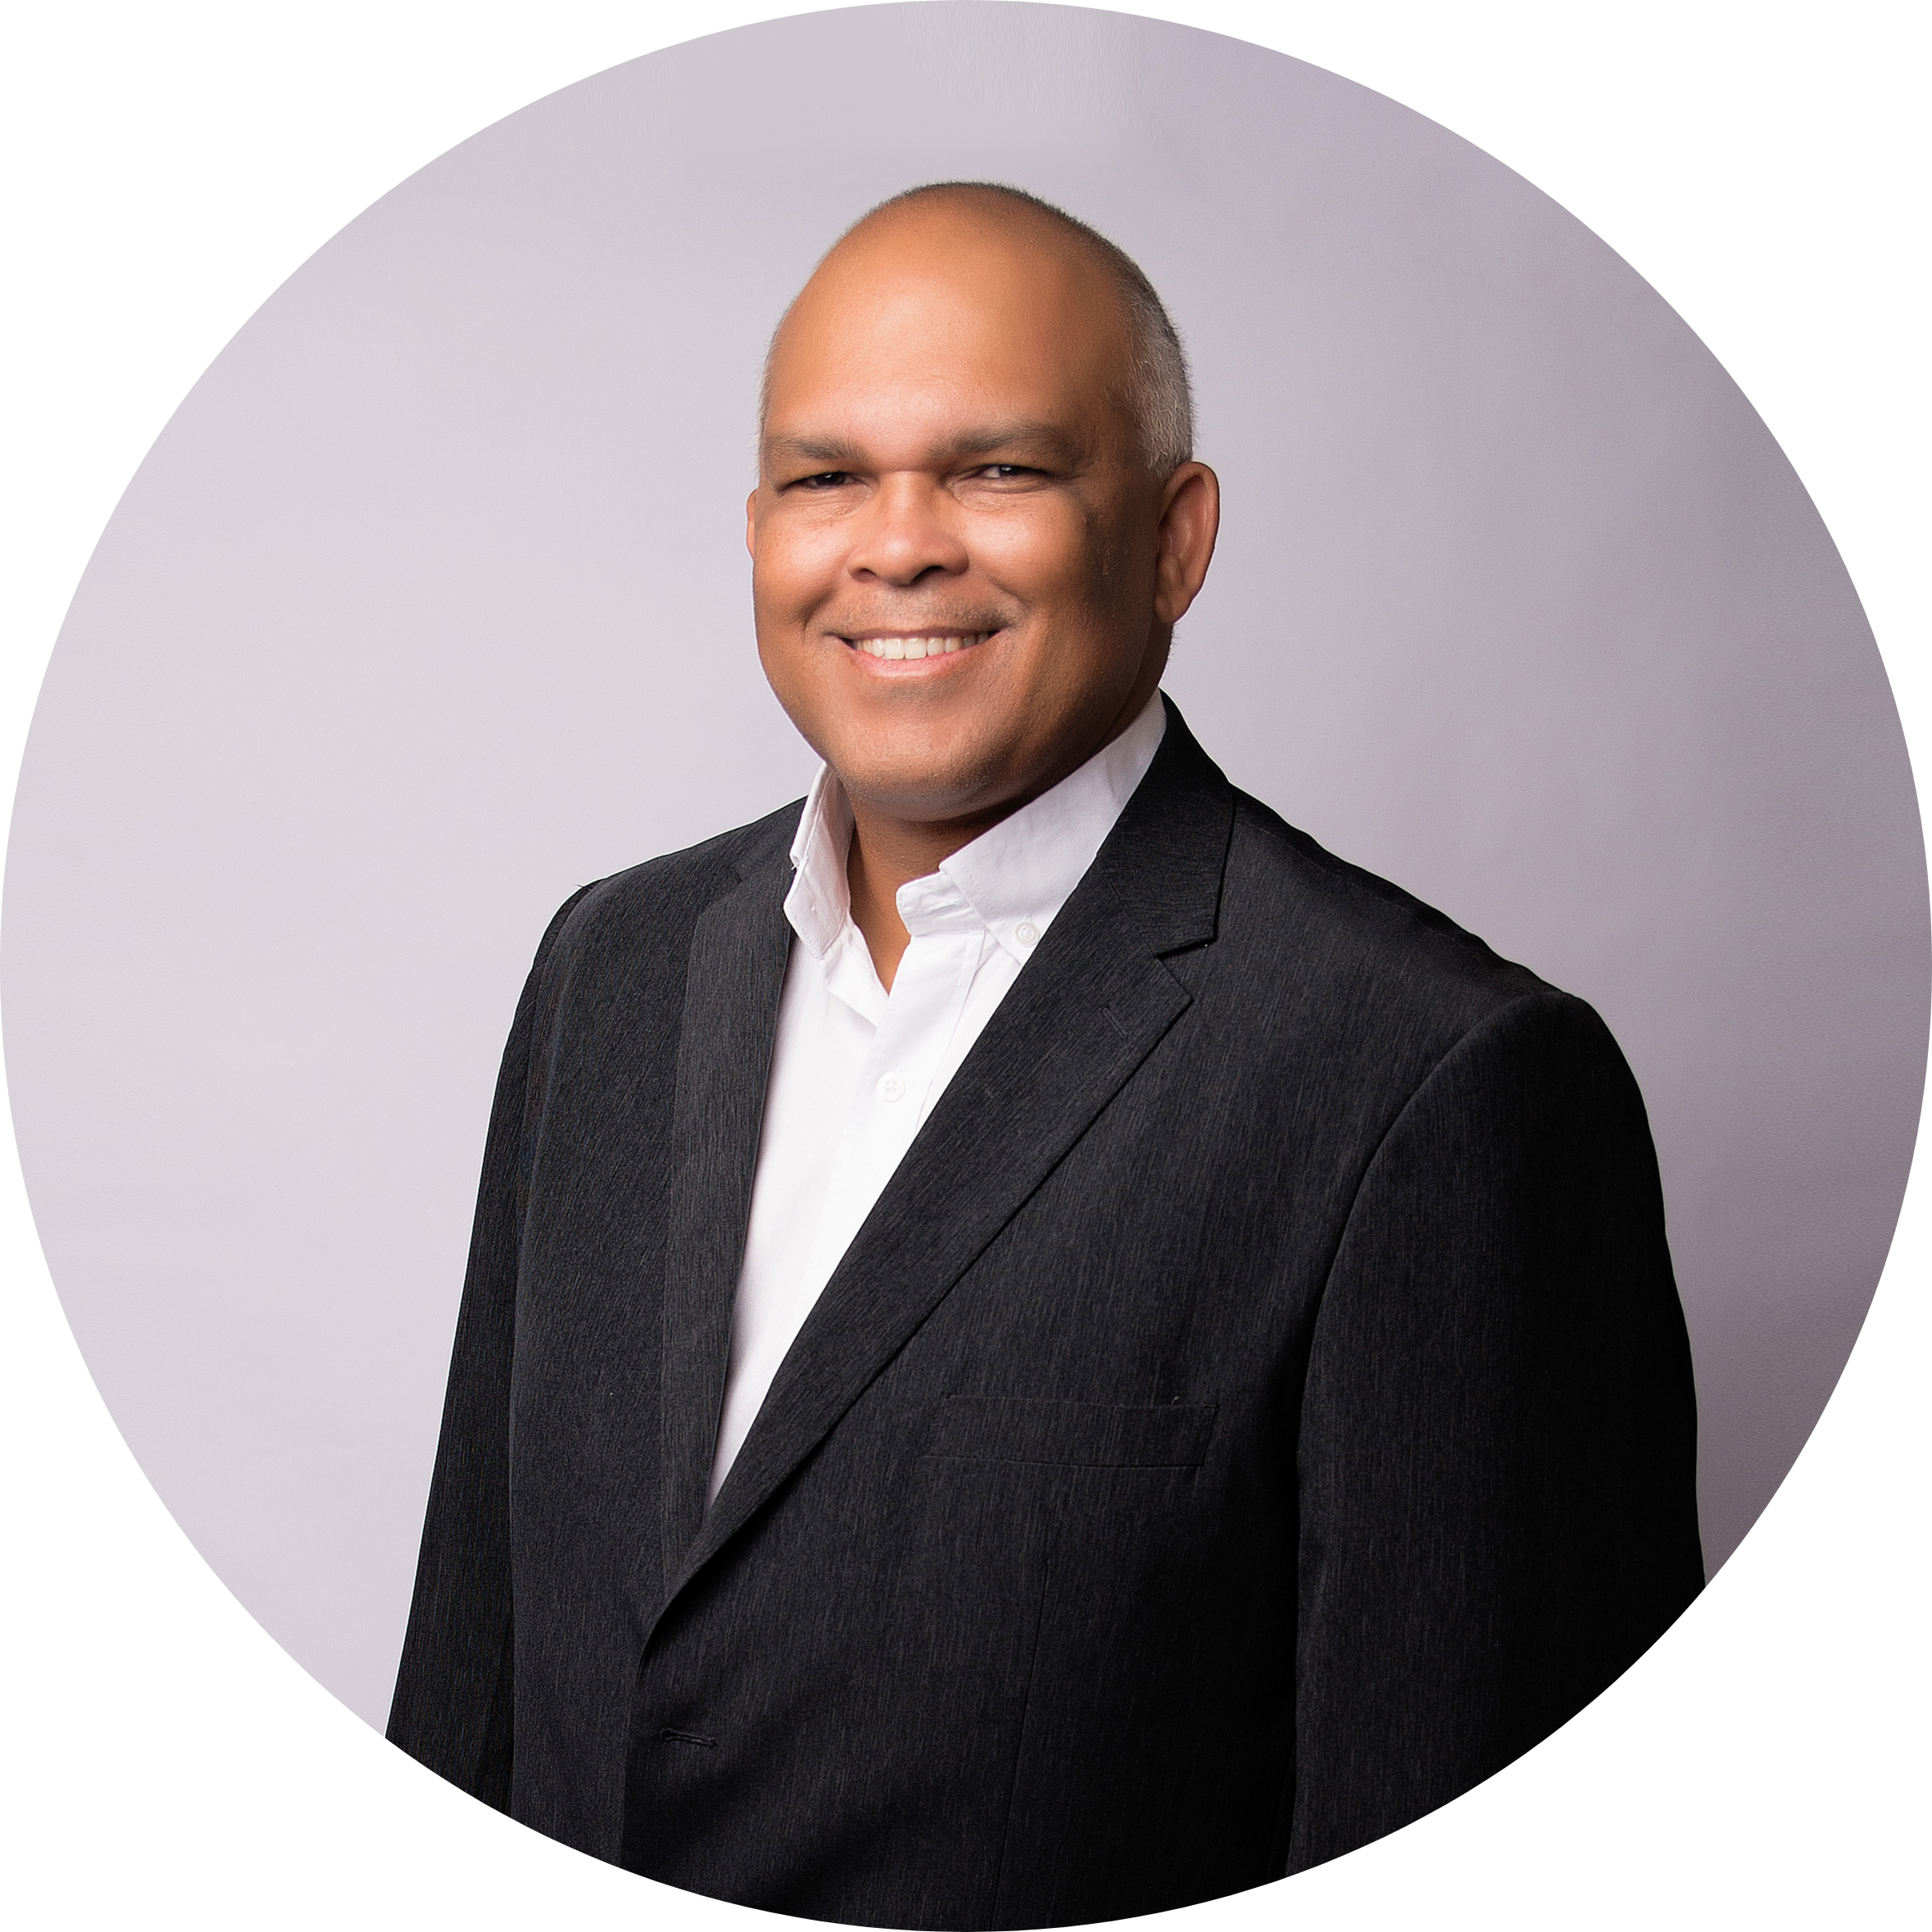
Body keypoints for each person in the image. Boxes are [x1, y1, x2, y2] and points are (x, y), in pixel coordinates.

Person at [388, 181, 1702, 1924]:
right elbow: (472, 1689)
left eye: (998, 469)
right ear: (758, 529)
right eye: (826, 477)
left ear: (1174, 538)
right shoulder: (609, 972)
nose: (898, 546)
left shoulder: (1440, 1090)